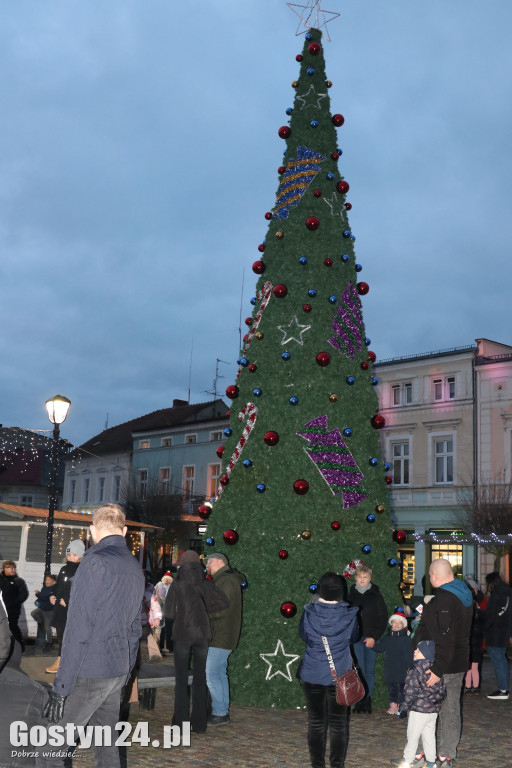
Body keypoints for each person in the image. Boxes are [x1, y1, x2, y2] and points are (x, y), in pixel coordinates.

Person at [42, 503, 145, 768]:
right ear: (123, 531)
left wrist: (61, 687)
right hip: (116, 669)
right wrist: (127, 671)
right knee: (106, 747)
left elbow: (78, 628)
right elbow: (135, 628)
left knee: (50, 747)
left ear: (92, 531)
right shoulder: (134, 566)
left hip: (91, 670)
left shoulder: (94, 562)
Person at [412, 558, 473, 768]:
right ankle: (444, 754)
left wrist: (437, 668)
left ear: (434, 576)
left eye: (430, 575)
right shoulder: (463, 594)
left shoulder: (445, 599)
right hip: (456, 662)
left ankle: (429, 755)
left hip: (441, 664)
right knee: (450, 709)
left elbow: (446, 638)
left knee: (427, 710)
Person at [164, 550, 229, 733]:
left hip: (182, 635)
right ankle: (199, 723)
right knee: (200, 680)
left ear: (182, 565)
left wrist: (168, 639)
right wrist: (205, 610)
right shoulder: (205, 583)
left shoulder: (178, 584)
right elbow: (224, 602)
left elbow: (169, 614)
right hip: (202, 634)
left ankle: (181, 723)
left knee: (181, 680)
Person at [299, 572, 359, 768]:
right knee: (339, 724)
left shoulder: (309, 612)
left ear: (321, 591)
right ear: (340, 592)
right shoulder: (350, 615)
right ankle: (337, 765)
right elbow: (354, 638)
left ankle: (317, 765)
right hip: (340, 675)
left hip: (313, 673)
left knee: (316, 722)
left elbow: (304, 636)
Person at [391, 640, 446, 768]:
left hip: (418, 711)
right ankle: (431, 762)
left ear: (426, 654)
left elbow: (410, 692)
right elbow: (443, 692)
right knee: (429, 737)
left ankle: (407, 761)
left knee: (412, 737)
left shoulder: (415, 671)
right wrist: (434, 701)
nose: (415, 651)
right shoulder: (436, 672)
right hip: (432, 712)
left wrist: (403, 708)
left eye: (419, 650)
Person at [205, 552, 246, 726]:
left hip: (221, 634)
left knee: (212, 673)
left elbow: (222, 609)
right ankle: (220, 711)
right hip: (222, 634)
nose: (207, 565)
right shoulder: (225, 579)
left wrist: (204, 614)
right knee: (219, 673)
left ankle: (221, 712)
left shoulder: (226, 581)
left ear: (220, 562)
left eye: (209, 561)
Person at [347, 562, 388, 713]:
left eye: (365, 577)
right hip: (356, 638)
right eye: (360, 577)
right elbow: (348, 618)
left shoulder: (376, 596)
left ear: (370, 578)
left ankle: (367, 699)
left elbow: (382, 618)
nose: (362, 579)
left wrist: (374, 637)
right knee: (359, 669)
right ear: (355, 578)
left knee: (369, 670)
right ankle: (359, 699)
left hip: (371, 638)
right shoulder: (351, 596)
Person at [46, 539, 84, 674]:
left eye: (72, 554)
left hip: (71, 611)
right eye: (68, 554)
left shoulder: (81, 570)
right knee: (61, 636)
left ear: (79, 555)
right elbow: (59, 587)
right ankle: (62, 661)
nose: (69, 557)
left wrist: (67, 601)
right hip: (60, 610)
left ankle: (63, 662)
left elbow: (81, 591)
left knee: (69, 638)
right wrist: (53, 596)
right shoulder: (64, 569)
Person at [372, 609, 413, 714]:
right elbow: (380, 648)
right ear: (391, 624)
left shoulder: (406, 639)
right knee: (392, 688)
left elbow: (410, 654)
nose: (397, 625)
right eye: (395, 622)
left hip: (403, 668)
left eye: (400, 623)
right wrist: (372, 645)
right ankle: (393, 705)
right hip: (390, 667)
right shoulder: (387, 638)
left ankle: (403, 706)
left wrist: (411, 666)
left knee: (403, 689)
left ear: (404, 625)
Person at [483, 570, 512, 700]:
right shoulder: (506, 593)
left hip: (495, 632)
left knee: (498, 661)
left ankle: (503, 689)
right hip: (503, 631)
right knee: (501, 660)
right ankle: (503, 688)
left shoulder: (497, 595)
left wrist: (485, 627)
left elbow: (491, 616)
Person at [462, 574, 487, 695]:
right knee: (472, 666)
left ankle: (471, 686)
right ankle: (473, 686)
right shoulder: (476, 606)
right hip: (475, 638)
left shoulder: (479, 603)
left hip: (474, 639)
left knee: (471, 666)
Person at [0, 559, 29, 649]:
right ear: (4, 569)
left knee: (12, 626)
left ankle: (20, 645)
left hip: (12, 610)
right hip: (1, 608)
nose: (12, 570)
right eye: (9, 568)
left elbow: (24, 594)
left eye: (13, 568)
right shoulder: (1, 580)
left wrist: (14, 603)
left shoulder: (18, 581)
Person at [31, 573, 57, 647]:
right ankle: (40, 621)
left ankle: (49, 642)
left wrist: (37, 594)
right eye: (46, 579)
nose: (47, 581)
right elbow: (42, 597)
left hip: (48, 611)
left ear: (53, 581)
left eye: (49, 580)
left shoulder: (54, 589)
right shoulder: (44, 587)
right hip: (41, 608)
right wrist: (37, 600)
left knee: (47, 628)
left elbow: (45, 597)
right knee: (33, 613)